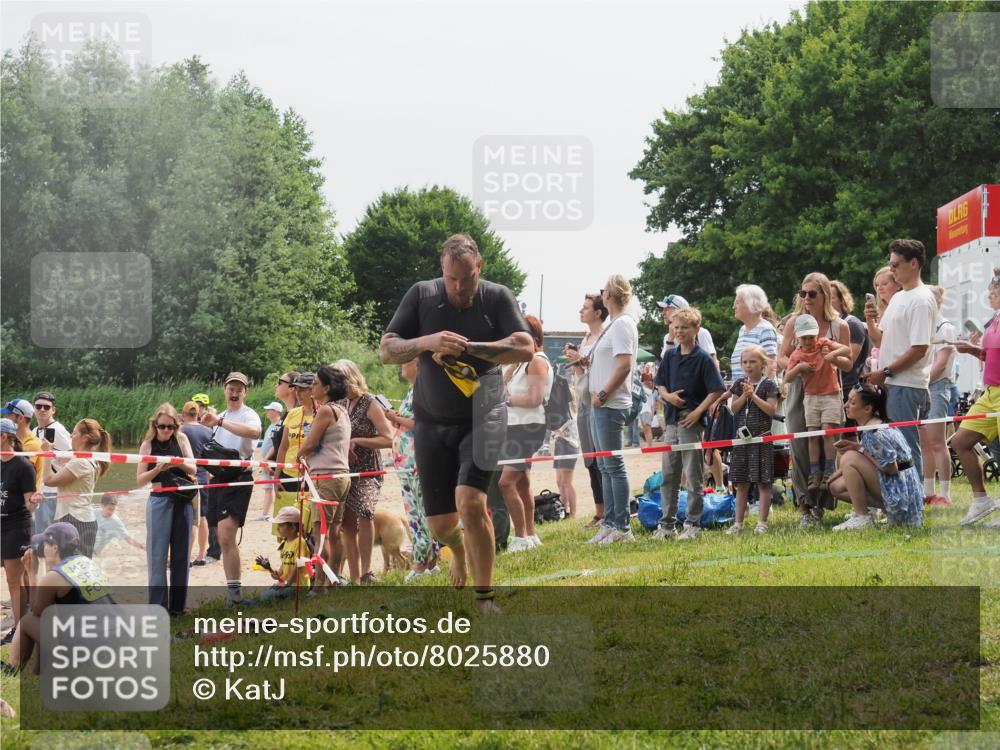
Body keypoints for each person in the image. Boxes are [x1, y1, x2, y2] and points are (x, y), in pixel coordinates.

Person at [380, 233, 533, 612]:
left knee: (471, 502)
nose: (459, 287)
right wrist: (427, 341)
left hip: (484, 415)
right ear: (442, 270)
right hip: (432, 422)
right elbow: (387, 350)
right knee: (441, 526)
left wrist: (471, 348)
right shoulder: (422, 295)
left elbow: (526, 347)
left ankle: (485, 599)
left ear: (479, 267)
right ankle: (459, 551)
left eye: (467, 278)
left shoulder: (496, 297)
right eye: (452, 279)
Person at [777, 272, 853, 527]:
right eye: (803, 293)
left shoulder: (839, 326)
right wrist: (798, 366)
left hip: (830, 389)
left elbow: (849, 363)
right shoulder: (794, 322)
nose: (806, 298)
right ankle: (806, 507)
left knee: (828, 442)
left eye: (812, 293)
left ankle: (823, 503)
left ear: (825, 295)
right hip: (801, 389)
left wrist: (831, 358)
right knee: (801, 446)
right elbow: (781, 358)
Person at [864, 239, 936, 481]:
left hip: (907, 383)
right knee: (896, 445)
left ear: (913, 263)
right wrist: (870, 320)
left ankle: (914, 498)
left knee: (906, 446)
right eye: (891, 264)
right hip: (894, 382)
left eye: (896, 264)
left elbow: (919, 348)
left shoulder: (921, 299)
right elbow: (879, 340)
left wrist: (886, 371)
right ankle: (905, 495)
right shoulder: (898, 298)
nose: (892, 269)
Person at [652, 307, 725, 541]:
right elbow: (660, 383)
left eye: (684, 327)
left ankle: (693, 524)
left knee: (693, 475)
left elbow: (717, 389)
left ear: (696, 329)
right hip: (671, 420)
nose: (679, 331)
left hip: (690, 421)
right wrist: (667, 396)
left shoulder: (702, 358)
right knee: (669, 475)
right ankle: (667, 525)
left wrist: (698, 412)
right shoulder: (670, 355)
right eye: (676, 327)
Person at [2, 522, 113, 675]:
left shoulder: (55, 577)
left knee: (27, 621)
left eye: (44, 544)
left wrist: (32, 573)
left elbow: (36, 611)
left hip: (88, 649)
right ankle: (38, 672)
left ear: (54, 547)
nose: (41, 549)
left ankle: (12, 670)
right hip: (113, 641)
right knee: (50, 622)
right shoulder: (87, 563)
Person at [585, 275, 641, 545]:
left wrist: (604, 393)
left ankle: (622, 527)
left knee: (613, 466)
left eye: (602, 290)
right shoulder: (614, 325)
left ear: (609, 295)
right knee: (605, 467)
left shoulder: (622, 324)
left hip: (610, 404)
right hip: (602, 405)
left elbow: (624, 365)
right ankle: (609, 523)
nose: (600, 293)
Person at [199, 372, 262, 606]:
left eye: (239, 390)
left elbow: (255, 433)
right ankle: (232, 592)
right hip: (217, 479)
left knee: (226, 535)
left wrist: (220, 422)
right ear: (224, 390)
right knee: (222, 538)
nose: (234, 393)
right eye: (231, 389)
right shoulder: (222, 416)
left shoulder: (248, 414)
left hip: (238, 478)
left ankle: (235, 596)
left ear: (245, 392)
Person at [828, 384, 924, 530]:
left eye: (852, 403)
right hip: (902, 489)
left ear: (867, 409)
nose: (846, 405)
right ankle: (873, 512)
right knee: (835, 486)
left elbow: (891, 468)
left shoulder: (876, 433)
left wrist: (860, 449)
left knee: (849, 458)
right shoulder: (873, 426)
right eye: (847, 400)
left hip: (901, 494)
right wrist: (837, 473)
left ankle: (862, 517)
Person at [333, 359, 393, 584]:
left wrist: (358, 441)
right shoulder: (339, 403)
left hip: (368, 469)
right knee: (347, 523)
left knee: (365, 511)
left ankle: (367, 572)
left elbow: (388, 439)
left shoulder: (370, 402)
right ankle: (355, 576)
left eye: (339, 380)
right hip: (344, 468)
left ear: (350, 378)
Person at [948, 270, 1000, 527]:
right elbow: (991, 356)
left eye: (995, 290)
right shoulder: (994, 320)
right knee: (960, 441)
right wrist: (971, 350)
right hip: (990, 392)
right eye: (989, 290)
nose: (990, 294)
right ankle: (981, 500)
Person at [499, 315, 553, 552]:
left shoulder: (537, 361)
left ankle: (521, 537)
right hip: (516, 427)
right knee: (522, 483)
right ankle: (530, 534)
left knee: (505, 483)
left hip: (527, 428)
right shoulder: (523, 362)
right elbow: (502, 383)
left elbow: (535, 398)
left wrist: (508, 399)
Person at [136, 403, 196, 615]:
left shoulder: (182, 439)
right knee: (157, 556)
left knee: (181, 556)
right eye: (162, 426)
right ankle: (158, 607)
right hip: (159, 499)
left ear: (176, 426)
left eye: (171, 427)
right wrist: (158, 468)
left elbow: (193, 468)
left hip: (182, 499)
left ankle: (178, 607)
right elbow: (140, 479)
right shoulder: (147, 445)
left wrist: (177, 463)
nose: (166, 431)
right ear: (155, 425)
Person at [384, 360, 440, 581]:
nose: (401, 367)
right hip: (407, 462)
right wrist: (397, 419)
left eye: (405, 363)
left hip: (418, 460)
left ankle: (421, 561)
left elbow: (422, 424)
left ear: (417, 365)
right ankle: (430, 561)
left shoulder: (425, 390)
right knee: (417, 511)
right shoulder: (413, 390)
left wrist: (395, 418)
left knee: (419, 514)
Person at [298, 365, 352, 587]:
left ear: (327, 388)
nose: (312, 387)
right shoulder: (342, 410)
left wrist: (298, 457)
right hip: (341, 475)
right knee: (334, 532)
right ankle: (333, 579)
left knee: (322, 534)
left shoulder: (326, 410)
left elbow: (310, 443)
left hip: (326, 476)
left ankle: (320, 584)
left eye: (316, 384)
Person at [785, 314, 852, 492]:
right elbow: (787, 378)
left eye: (811, 337)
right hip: (811, 397)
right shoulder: (797, 354)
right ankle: (815, 471)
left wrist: (832, 355)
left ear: (817, 335)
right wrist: (799, 368)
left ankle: (829, 469)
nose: (808, 341)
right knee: (812, 434)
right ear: (798, 337)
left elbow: (846, 350)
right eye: (804, 338)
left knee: (828, 431)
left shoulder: (823, 343)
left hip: (831, 394)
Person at [562, 292, 607, 528]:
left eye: (586, 307)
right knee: (590, 459)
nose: (581, 310)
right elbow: (582, 373)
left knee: (603, 460)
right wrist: (576, 361)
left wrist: (581, 360)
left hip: (599, 402)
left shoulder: (604, 338)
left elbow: (602, 369)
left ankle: (609, 512)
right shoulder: (587, 337)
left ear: (598, 312)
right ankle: (599, 512)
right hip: (583, 401)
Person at [724, 346, 780, 534]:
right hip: (742, 441)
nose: (748, 365)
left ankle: (762, 522)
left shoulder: (769, 385)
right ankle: (738, 523)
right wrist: (744, 395)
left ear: (762, 364)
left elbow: (771, 410)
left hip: (762, 440)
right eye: (745, 362)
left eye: (753, 361)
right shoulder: (739, 384)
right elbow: (734, 408)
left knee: (764, 483)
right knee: (741, 484)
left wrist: (753, 396)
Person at [37, 418, 111, 556]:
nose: (71, 435)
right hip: (79, 518)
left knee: (71, 565)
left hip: (74, 520)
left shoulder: (80, 462)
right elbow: (62, 480)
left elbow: (48, 480)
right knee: (78, 565)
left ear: (85, 438)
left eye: (75, 433)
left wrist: (47, 454)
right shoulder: (89, 460)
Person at [920, 286, 958, 506]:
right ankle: (928, 492)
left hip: (937, 387)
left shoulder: (945, 328)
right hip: (924, 387)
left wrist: (922, 382)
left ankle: (945, 493)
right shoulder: (925, 327)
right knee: (925, 444)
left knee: (937, 442)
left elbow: (941, 363)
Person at [1, 419, 36, 645]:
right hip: (2, 526)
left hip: (16, 527)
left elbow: (29, 506)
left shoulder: (23, 466)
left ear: (4, 436)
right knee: (17, 580)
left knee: (14, 581)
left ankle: (19, 630)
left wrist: (35, 500)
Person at [273, 376, 316, 538]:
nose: (297, 393)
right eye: (296, 389)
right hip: (288, 475)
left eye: (302, 389)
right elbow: (283, 447)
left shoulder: (321, 414)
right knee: (284, 529)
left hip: (311, 476)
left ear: (313, 390)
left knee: (308, 529)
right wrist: (277, 476)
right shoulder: (292, 413)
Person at [179, 401, 215, 566]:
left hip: (188, 477)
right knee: (203, 517)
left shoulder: (181, 430)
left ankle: (186, 556)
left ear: (183, 415)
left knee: (191, 518)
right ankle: (201, 555)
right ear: (197, 414)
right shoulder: (208, 430)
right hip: (204, 477)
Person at [30, 391, 71, 533]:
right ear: (33, 408)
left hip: (53, 491)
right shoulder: (35, 430)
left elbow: (70, 460)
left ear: (53, 410)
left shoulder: (58, 430)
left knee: (48, 534)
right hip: (39, 490)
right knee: (39, 532)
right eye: (38, 406)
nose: (42, 409)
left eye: (46, 407)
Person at [257, 505, 312, 602]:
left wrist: (287, 583)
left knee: (267, 597)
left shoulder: (300, 543)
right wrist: (269, 568)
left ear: (293, 527)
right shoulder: (285, 543)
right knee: (265, 595)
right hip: (287, 584)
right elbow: (279, 574)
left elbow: (298, 565)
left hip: (298, 586)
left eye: (281, 525)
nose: (278, 528)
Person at [829, 280, 871, 399]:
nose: (826, 301)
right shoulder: (826, 325)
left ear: (842, 300)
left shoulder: (852, 324)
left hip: (847, 390)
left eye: (831, 298)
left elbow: (849, 362)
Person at [731, 284, 779, 380]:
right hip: (741, 389)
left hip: (757, 389)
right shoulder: (742, 330)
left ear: (752, 304)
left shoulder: (765, 330)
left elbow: (771, 366)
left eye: (737, 303)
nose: (733, 307)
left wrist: (761, 388)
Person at [656, 293, 718, 367]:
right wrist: (670, 340)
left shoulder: (700, 333)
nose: (663, 313)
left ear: (679, 311)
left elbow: (713, 364)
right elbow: (665, 366)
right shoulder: (667, 337)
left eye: (667, 309)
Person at [865, 266, 902, 373]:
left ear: (898, 285)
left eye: (885, 284)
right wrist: (869, 319)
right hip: (882, 368)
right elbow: (877, 342)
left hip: (896, 367)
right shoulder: (882, 311)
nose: (879, 288)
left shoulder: (902, 308)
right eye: (877, 285)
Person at [252, 401, 284, 522]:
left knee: (276, 487)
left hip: (272, 461)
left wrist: (266, 460)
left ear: (276, 412)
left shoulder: (279, 425)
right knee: (268, 487)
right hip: (267, 461)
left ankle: (276, 513)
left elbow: (276, 445)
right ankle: (265, 513)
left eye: (270, 410)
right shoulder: (272, 425)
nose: (267, 412)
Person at [551, 384, 580, 519]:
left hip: (569, 446)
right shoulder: (563, 410)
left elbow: (561, 429)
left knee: (567, 482)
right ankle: (564, 509)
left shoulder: (571, 412)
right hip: (560, 444)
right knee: (559, 481)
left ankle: (573, 514)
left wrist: (557, 430)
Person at [638, 372, 658, 448]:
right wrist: (652, 414)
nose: (649, 381)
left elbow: (652, 404)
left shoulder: (647, 390)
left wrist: (652, 414)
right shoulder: (647, 390)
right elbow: (653, 404)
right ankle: (649, 445)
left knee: (647, 429)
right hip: (643, 411)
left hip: (646, 411)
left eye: (649, 380)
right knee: (646, 429)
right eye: (647, 380)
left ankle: (649, 446)